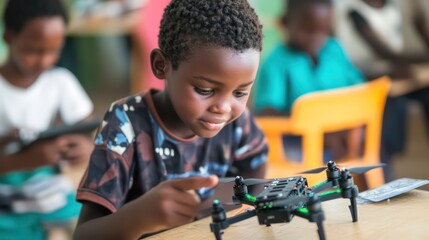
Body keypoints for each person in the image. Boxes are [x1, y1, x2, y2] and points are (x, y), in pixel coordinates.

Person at [73, 0, 267, 239]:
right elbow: (83, 235)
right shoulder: (124, 125)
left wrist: (218, 204)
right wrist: (139, 217)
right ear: (161, 66)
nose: (224, 108)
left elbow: (255, 180)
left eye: (240, 92)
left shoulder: (238, 123)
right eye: (205, 90)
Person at [0, 0, 94, 239]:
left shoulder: (59, 81)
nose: (45, 60)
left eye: (54, 50)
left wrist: (86, 146)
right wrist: (26, 159)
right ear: (9, 37)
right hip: (6, 192)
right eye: (33, 50)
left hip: (47, 191)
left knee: (95, 220)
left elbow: (90, 127)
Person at [253, 0, 365, 162]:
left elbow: (361, 90)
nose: (316, 39)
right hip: (298, 142)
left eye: (323, 31)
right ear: (285, 22)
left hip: (345, 134)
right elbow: (267, 113)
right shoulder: (276, 62)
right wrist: (315, 127)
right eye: (307, 30)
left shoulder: (334, 49)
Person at [334, 0, 429, 177]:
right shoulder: (353, 11)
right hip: (363, 72)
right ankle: (387, 166)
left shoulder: (392, 7)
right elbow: (383, 52)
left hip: (392, 68)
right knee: (390, 100)